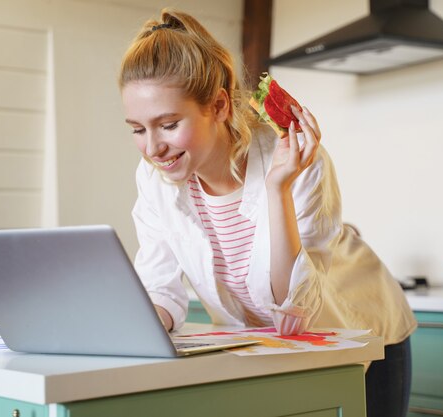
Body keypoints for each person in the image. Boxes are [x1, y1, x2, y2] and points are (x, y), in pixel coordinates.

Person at [118, 8, 417, 417]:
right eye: (138, 129)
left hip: (359, 332)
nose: (153, 148)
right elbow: (161, 290)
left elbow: (294, 308)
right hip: (264, 350)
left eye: (168, 125)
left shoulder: (295, 160)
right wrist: (122, 327)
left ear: (219, 105)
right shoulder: (154, 179)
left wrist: (278, 188)